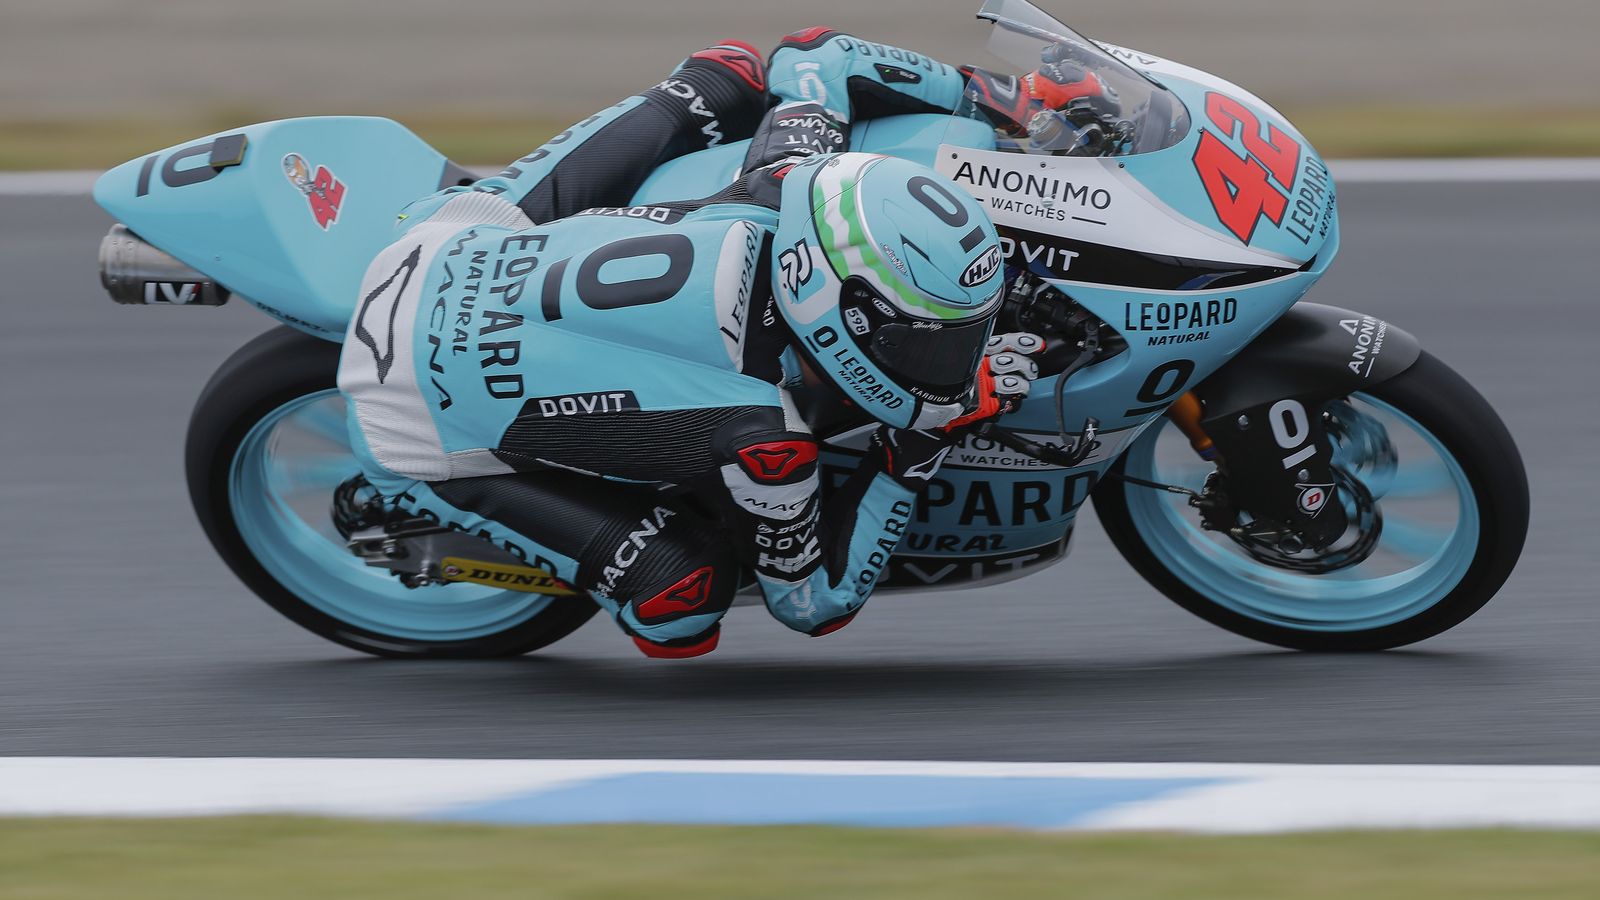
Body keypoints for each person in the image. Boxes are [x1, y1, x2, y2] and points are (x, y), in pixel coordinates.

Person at [336, 33, 1045, 658]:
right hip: (407, 414)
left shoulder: (783, 183)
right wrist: (915, 452)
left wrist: (997, 97)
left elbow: (816, 54)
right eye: (930, 343)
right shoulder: (768, 437)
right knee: (681, 610)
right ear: (836, 310)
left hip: (445, 236)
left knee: (724, 72)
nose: (953, 361)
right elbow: (813, 606)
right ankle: (424, 500)